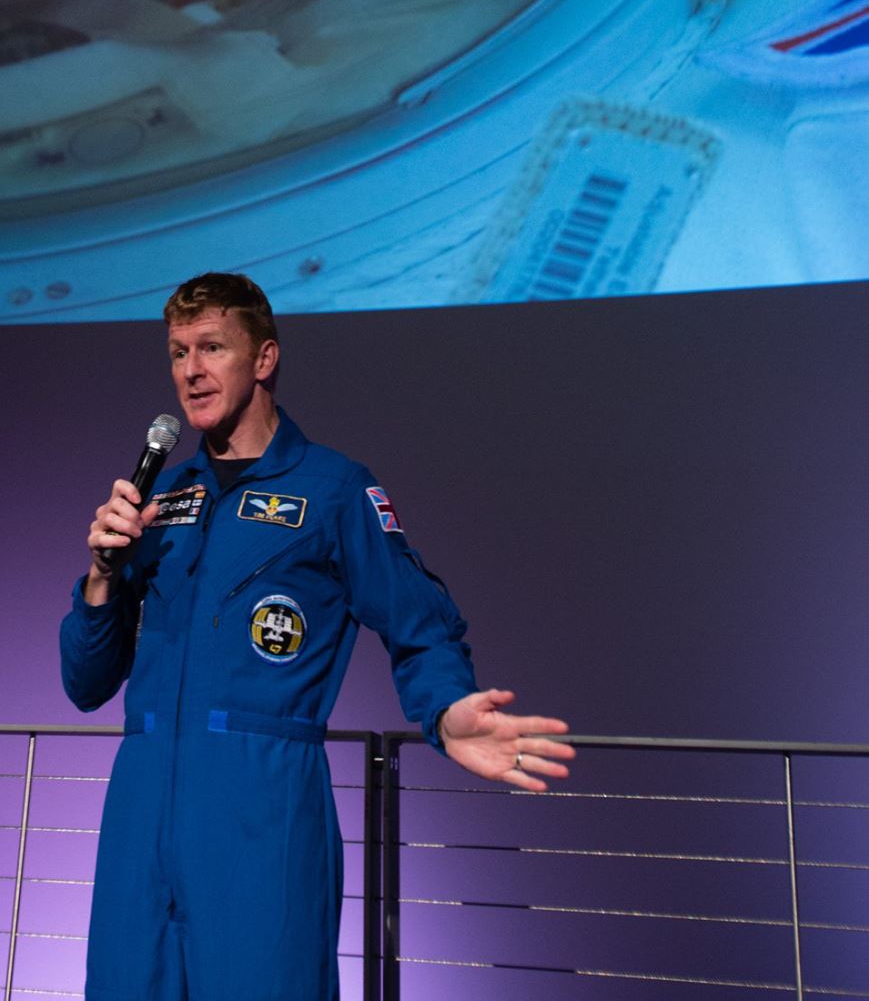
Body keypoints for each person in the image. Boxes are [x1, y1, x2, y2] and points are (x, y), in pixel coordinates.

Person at [60, 271, 574, 1001]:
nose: (191, 372)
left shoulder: (332, 490)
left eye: (211, 348)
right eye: (177, 353)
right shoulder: (162, 501)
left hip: (261, 812)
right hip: (139, 814)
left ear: (263, 359)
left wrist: (445, 711)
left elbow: (419, 627)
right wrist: (100, 578)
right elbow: (84, 685)